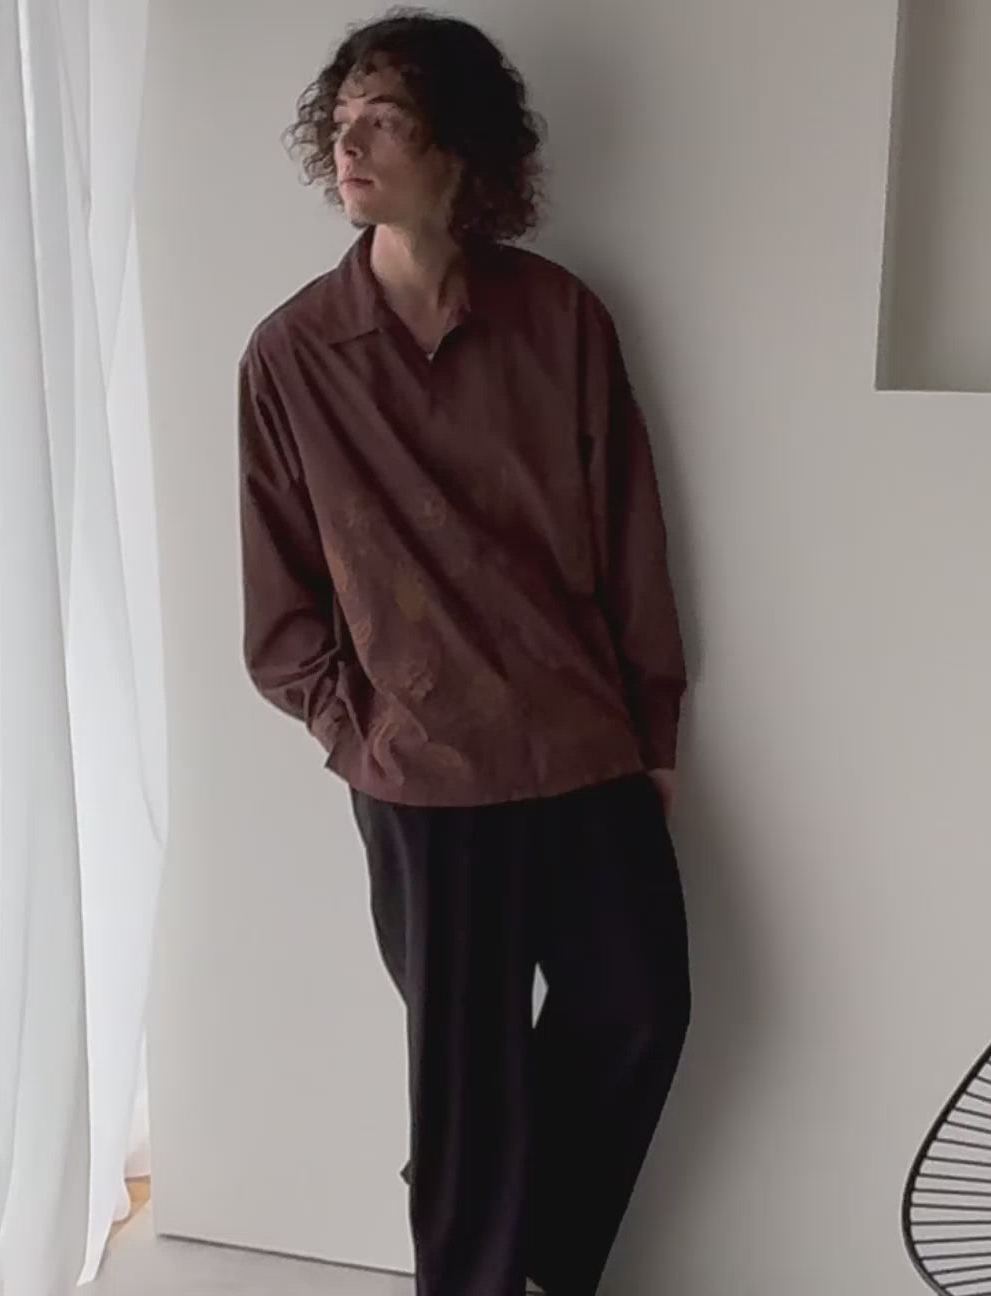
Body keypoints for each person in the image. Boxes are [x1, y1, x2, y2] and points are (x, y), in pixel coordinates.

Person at [237, 11, 691, 1296]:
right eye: (341, 123)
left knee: (640, 1007)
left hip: (583, 744)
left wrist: (654, 731)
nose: (351, 146)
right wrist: (361, 731)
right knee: (467, 1076)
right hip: (423, 776)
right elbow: (278, 603)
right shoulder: (292, 354)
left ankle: (522, 1254)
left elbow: (631, 538)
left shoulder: (561, 318)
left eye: (385, 121)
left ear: (461, 149)